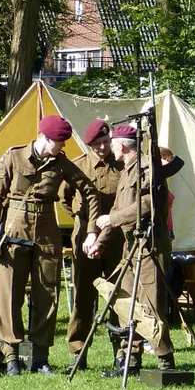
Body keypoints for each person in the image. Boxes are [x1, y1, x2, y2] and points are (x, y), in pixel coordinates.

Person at [0, 115, 103, 376]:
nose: (63, 147)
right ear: (46, 138)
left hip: (47, 234)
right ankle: (12, 358)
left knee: (47, 295)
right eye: (60, 142)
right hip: (14, 232)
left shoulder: (62, 164)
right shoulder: (14, 157)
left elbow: (90, 191)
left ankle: (40, 358)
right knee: (10, 295)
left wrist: (90, 227)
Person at [91, 124, 186, 377]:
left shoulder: (148, 170)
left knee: (150, 307)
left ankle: (165, 362)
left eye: (112, 143)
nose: (109, 147)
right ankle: (130, 363)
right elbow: (118, 212)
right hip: (130, 248)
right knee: (127, 306)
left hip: (149, 248)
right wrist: (101, 241)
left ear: (122, 146)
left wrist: (112, 220)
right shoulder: (127, 171)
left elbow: (148, 205)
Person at [58, 119, 123, 370]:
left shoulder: (122, 166)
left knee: (118, 294)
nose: (103, 148)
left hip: (116, 239)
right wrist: (80, 222)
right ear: (89, 145)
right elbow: (65, 199)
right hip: (84, 238)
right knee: (83, 295)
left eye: (107, 142)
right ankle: (78, 351)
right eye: (98, 144)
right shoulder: (78, 166)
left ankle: (121, 351)